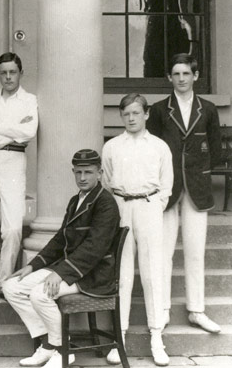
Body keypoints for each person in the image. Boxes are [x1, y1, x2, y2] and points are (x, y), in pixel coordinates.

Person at [3, 149, 120, 368]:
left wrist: (60, 273)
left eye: (88, 172)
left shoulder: (106, 203)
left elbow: (93, 249)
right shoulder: (76, 200)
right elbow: (60, 240)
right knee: (11, 287)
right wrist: (33, 265)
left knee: (41, 293)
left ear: (100, 173)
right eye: (78, 172)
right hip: (71, 269)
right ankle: (49, 344)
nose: (82, 178)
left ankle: (62, 350)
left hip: (94, 274)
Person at [146, 53, 222, 334]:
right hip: (166, 190)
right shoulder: (158, 110)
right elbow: (151, 148)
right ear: (169, 77)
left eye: (186, 74)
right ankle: (162, 310)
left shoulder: (209, 109)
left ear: (196, 76)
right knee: (163, 252)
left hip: (197, 189)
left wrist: (196, 171)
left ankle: (197, 310)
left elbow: (214, 151)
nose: (181, 79)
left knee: (195, 252)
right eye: (176, 74)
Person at [102, 94, 173, 366]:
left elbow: (166, 182)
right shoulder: (112, 147)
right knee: (122, 273)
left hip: (149, 206)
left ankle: (157, 337)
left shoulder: (159, 147)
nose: (131, 118)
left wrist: (155, 204)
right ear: (121, 116)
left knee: (152, 272)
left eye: (136, 113)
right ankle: (118, 335)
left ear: (146, 114)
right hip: (122, 207)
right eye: (126, 114)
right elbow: (107, 180)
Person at [0, 52, 38, 296]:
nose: (8, 77)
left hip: (14, 161)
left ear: (21, 73)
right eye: (3, 72)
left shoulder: (29, 100)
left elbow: (29, 132)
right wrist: (13, 133)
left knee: (12, 227)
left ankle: (4, 280)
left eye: (13, 72)